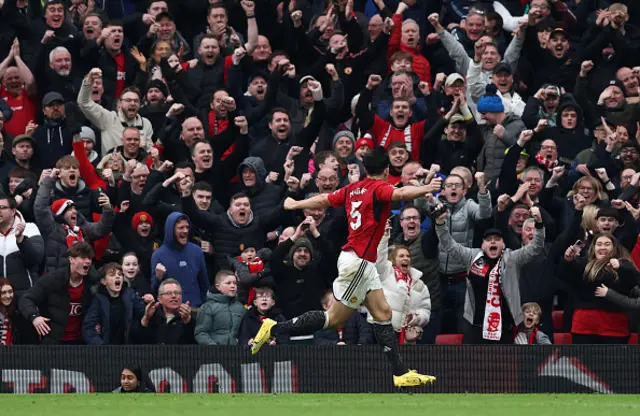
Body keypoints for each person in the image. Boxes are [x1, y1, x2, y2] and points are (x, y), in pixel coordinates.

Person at [251, 146, 441, 387]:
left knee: (383, 314)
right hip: (359, 261)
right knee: (333, 319)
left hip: (361, 262)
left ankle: (401, 373)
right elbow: (402, 193)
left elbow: (323, 199)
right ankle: (276, 327)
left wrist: (295, 204)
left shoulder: (353, 188)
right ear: (385, 170)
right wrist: (426, 188)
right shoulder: (379, 188)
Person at [435, 206, 546, 344]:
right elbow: (449, 246)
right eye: (488, 239)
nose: (493, 241)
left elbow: (536, 247)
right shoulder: (472, 257)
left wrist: (540, 224)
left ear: (503, 244)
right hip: (475, 326)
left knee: (501, 365)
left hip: (504, 328)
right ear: (483, 245)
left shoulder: (512, 258)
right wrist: (440, 223)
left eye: (497, 239)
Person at [559, 233, 640, 344]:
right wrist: (567, 261)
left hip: (615, 327)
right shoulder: (583, 264)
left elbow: (636, 282)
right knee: (584, 360)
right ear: (593, 248)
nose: (602, 247)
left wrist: (622, 267)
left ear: (614, 248)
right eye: (599, 244)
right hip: (584, 326)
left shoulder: (624, 266)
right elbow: (563, 276)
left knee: (613, 361)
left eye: (607, 244)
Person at [18, 243, 95, 345]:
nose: (88, 261)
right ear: (71, 259)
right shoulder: (52, 279)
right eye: (83, 257)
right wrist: (34, 317)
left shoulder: (93, 281)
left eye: (89, 258)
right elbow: (25, 299)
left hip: (81, 341)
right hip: (55, 341)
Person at [374, 224, 431, 345]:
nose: (406, 258)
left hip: (407, 340)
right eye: (401, 256)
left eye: (408, 256)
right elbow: (380, 259)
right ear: (393, 260)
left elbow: (426, 310)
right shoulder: (385, 275)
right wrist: (384, 236)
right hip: (384, 335)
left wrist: (417, 317)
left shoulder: (419, 284)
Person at [151, 212, 209, 308]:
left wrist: (204, 306)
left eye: (187, 227)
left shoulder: (196, 251)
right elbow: (154, 290)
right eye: (181, 228)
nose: (185, 231)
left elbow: (204, 284)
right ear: (171, 230)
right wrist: (158, 278)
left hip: (195, 308)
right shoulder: (158, 255)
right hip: (171, 310)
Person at [82, 263, 147, 345]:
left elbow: (143, 313)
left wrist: (148, 306)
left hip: (128, 348)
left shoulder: (130, 295)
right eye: (112, 275)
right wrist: (101, 346)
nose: (117, 277)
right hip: (106, 349)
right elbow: (88, 328)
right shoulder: (98, 299)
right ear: (103, 281)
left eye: (120, 274)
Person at [131, 279, 196, 345]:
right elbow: (135, 340)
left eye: (177, 293)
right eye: (168, 293)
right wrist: (146, 318)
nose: (174, 296)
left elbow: (195, 344)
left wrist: (188, 322)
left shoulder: (189, 316)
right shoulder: (152, 314)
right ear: (160, 299)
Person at [194, 270, 246, 345]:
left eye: (235, 283)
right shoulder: (208, 307)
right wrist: (215, 348)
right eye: (228, 283)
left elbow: (244, 333)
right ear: (218, 287)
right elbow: (200, 333)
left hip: (236, 352)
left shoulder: (241, 308)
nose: (232, 286)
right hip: (213, 353)